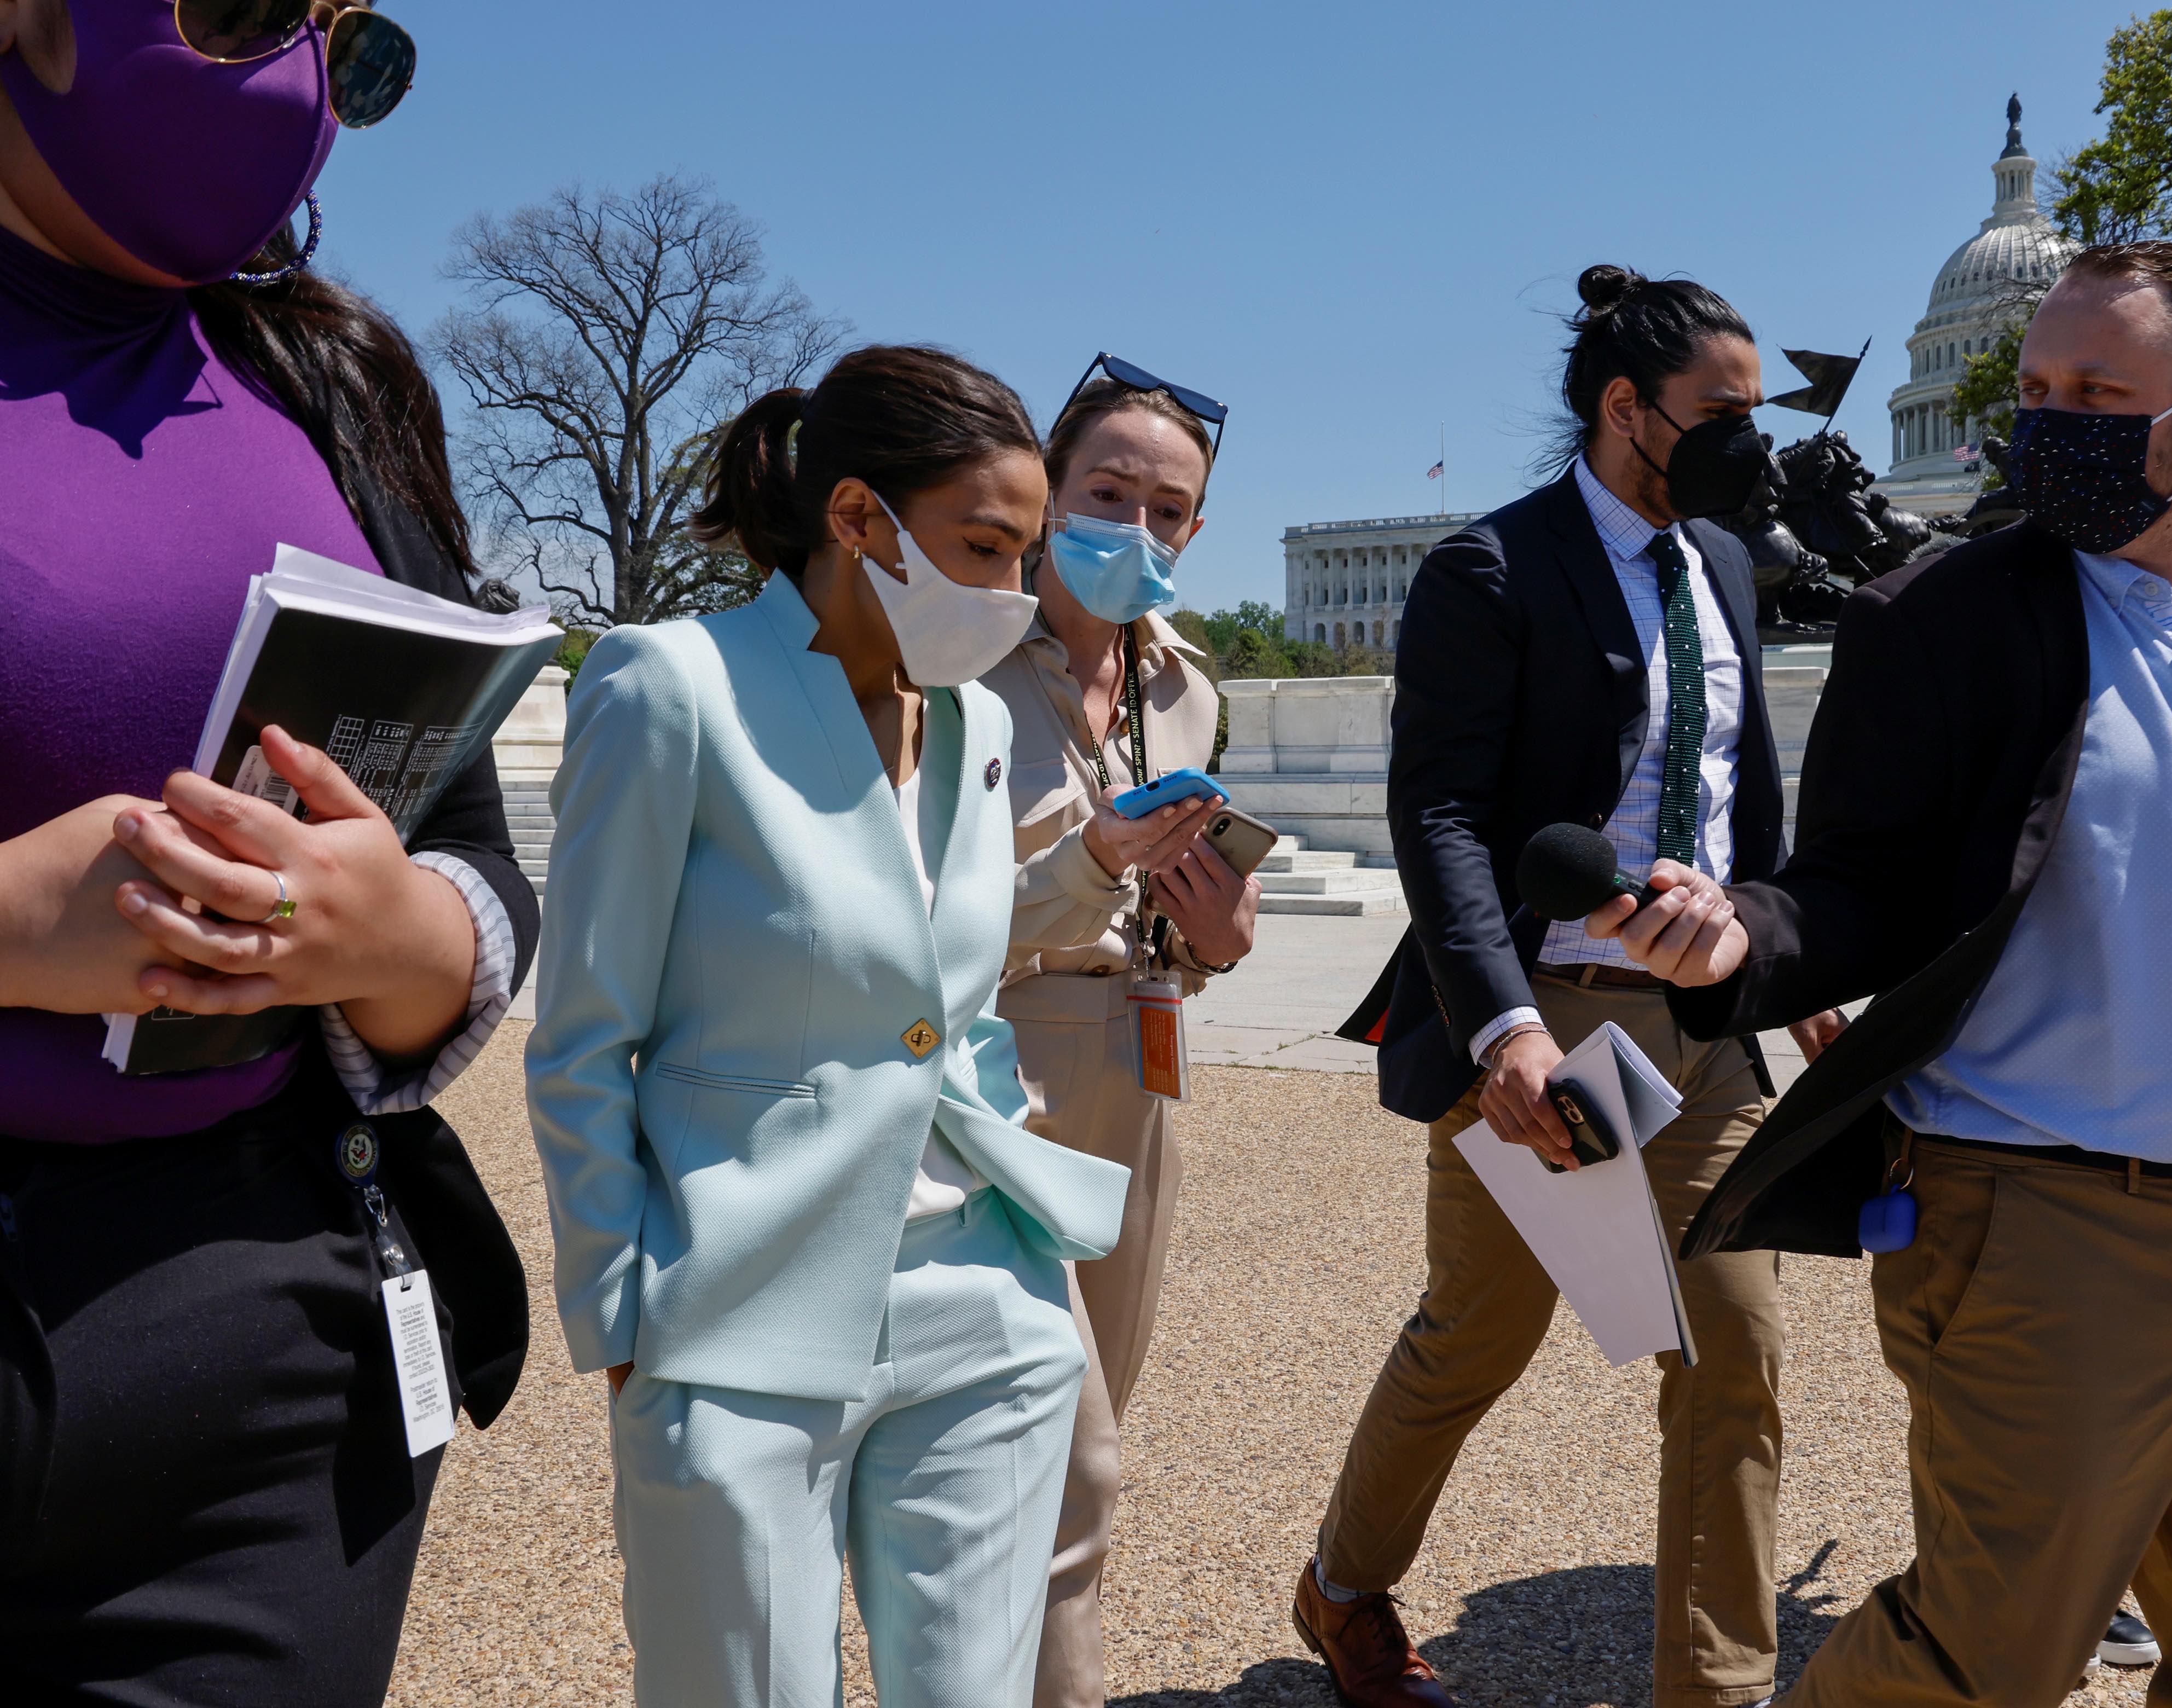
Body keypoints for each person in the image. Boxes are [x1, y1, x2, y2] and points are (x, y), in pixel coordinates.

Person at [1594, 242, 2172, 1705]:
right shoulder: (1936, 617)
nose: (2050, 424)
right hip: (2044, 1229)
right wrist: (1742, 932)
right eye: (2034, 391)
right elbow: (1859, 884)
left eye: (2098, 395)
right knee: (1988, 1659)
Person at [527, 343, 1220, 1708]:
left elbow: (943, 980)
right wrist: (620, 1310)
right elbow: (583, 1034)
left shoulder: (964, 716)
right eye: (985, 546)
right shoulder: (670, 685)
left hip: (988, 1299)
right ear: (856, 516)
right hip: (737, 1301)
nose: (1012, 590)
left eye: (1025, 553)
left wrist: (1096, 868)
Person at [0, 4, 531, 1701]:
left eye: (352, 46)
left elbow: (474, 864)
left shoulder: (337, 382)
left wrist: (395, 937)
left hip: (266, 1364)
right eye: (240, 9)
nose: (299, 82)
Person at [1314, 265, 1841, 1708]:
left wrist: (1791, 958)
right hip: (1547, 1023)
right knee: (1476, 1337)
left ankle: (1714, 1690)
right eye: (1721, 413)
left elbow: (1735, 796)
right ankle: (1342, 1586)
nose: (1750, 440)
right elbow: (1438, 815)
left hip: (1705, 1022)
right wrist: (1502, 1028)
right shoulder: (1489, 568)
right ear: (1625, 407)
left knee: (1732, 1348)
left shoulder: (1722, 560)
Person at [981, 356, 1259, 1707]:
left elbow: (1167, 906)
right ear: (1045, 491)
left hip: (1138, 1073)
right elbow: (908, 917)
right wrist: (1089, 859)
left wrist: (1215, 935)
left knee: (1058, 1449)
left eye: (1168, 510)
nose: (1136, 528)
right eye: (1106, 493)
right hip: (990, 1068)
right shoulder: (954, 665)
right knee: (1069, 1461)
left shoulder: (1188, 688)